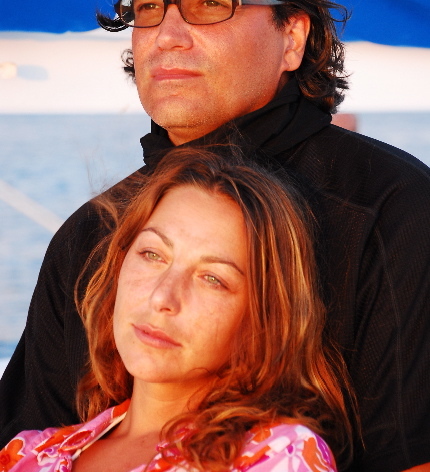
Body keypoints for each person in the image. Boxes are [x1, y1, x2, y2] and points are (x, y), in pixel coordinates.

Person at [1, 0, 429, 472]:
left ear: (292, 37)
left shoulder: (396, 213)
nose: (167, 35)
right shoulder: (88, 238)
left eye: (210, 4)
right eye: (149, 7)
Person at [0, 148, 353, 472]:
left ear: (262, 319)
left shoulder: (277, 454)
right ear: (119, 265)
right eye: (152, 254)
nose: (163, 297)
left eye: (212, 279)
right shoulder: (27, 454)